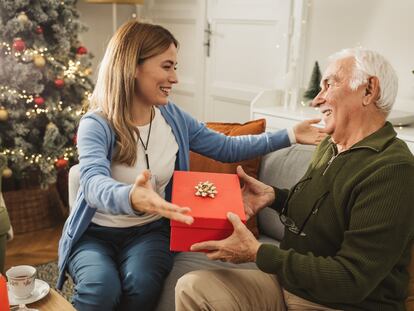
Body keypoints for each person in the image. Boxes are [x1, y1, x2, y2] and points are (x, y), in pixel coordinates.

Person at [56, 20, 323, 311]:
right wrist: (132, 196)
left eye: (176, 67)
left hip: (149, 232)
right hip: (96, 234)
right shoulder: (97, 124)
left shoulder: (172, 118)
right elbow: (92, 183)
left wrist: (289, 135)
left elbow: (226, 147)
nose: (175, 78)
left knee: (141, 283)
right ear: (133, 66)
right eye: (167, 66)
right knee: (100, 289)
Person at [175, 48, 414, 310]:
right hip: (289, 285)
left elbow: (352, 279)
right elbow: (326, 210)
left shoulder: (393, 169)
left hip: (339, 304)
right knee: (192, 288)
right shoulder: (330, 145)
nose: (317, 99)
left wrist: (258, 253)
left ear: (368, 90)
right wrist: (275, 197)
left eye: (329, 84)